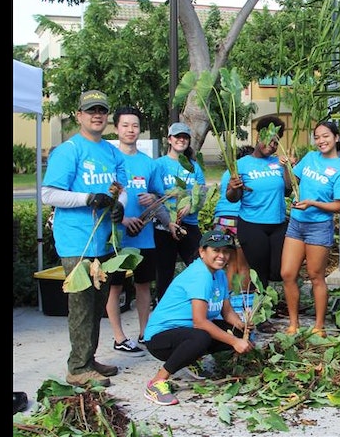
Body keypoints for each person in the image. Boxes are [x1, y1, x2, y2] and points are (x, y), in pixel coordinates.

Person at [41, 89, 128, 387]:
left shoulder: (112, 152)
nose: (97, 115)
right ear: (79, 116)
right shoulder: (69, 150)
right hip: (76, 242)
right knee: (81, 306)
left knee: (96, 304)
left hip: (104, 242)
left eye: (102, 110)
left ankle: (88, 359)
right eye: (91, 110)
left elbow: (122, 189)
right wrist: (87, 197)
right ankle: (77, 368)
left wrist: (120, 207)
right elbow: (48, 193)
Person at [142, 230, 256, 406]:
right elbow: (199, 322)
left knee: (236, 332)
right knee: (202, 336)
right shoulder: (200, 275)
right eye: (216, 251)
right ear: (202, 252)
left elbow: (227, 312)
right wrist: (234, 342)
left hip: (186, 332)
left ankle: (188, 359)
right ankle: (157, 382)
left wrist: (241, 325)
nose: (222, 256)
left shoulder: (218, 274)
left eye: (226, 251)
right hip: (160, 338)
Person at [280, 121, 340, 336]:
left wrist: (313, 203)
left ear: (336, 138)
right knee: (287, 273)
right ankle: (293, 324)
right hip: (296, 223)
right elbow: (291, 183)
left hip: (319, 227)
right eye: (317, 137)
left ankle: (319, 326)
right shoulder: (310, 158)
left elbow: (339, 206)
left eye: (325, 136)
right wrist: (287, 168)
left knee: (315, 276)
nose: (321, 141)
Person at [108, 106, 169, 356]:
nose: (130, 130)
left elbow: (160, 197)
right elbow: (106, 198)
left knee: (143, 285)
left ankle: (145, 333)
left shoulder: (149, 164)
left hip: (145, 237)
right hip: (116, 238)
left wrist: (152, 198)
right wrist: (123, 220)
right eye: (125, 125)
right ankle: (119, 337)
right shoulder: (110, 159)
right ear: (116, 128)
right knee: (115, 287)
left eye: (134, 125)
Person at [225, 115, 293, 334]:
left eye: (276, 142)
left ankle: (267, 306)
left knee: (278, 270)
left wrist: (287, 168)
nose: (271, 145)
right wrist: (235, 187)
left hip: (278, 224)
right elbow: (232, 197)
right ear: (258, 136)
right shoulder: (242, 164)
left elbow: (288, 190)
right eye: (268, 140)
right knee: (259, 273)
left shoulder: (278, 162)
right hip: (252, 225)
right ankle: (259, 316)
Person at [154, 122, 208, 302]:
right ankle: (162, 310)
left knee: (199, 265)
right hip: (165, 226)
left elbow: (201, 194)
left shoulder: (194, 166)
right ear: (169, 139)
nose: (181, 140)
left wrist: (191, 204)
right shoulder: (159, 165)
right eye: (177, 136)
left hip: (189, 225)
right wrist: (169, 219)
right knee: (164, 272)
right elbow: (155, 196)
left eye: (185, 137)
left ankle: (198, 304)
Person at [213, 145, 255, 292]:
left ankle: (229, 301)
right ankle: (244, 305)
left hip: (221, 220)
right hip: (238, 220)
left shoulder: (228, 172)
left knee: (231, 264)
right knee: (244, 266)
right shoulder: (248, 171)